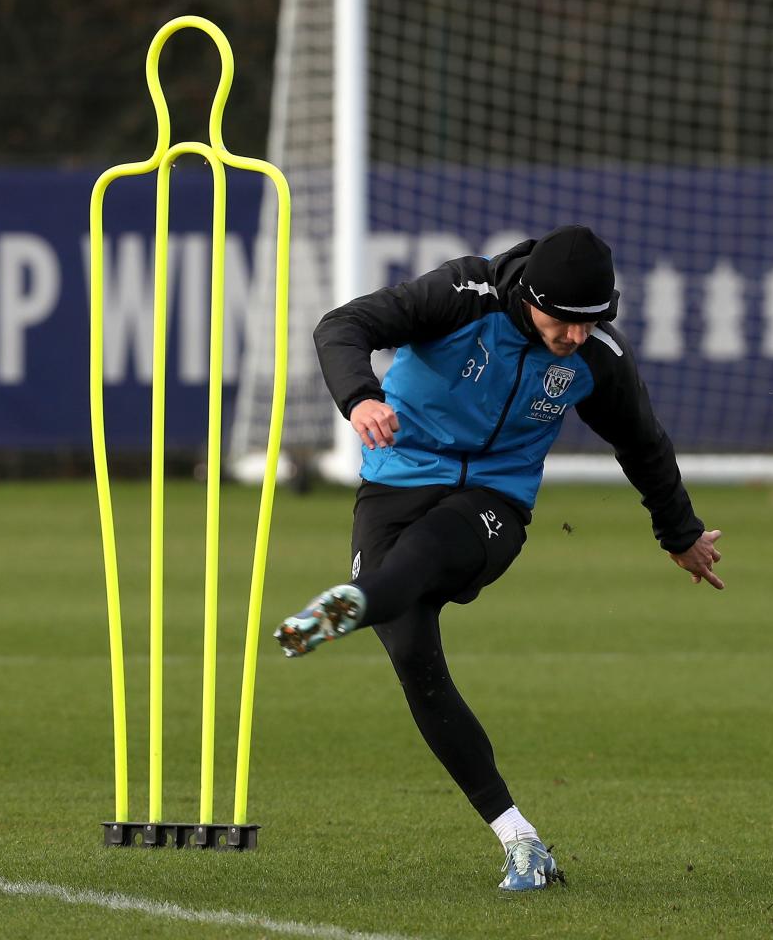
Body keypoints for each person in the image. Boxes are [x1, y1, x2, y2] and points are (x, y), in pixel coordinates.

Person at [273, 224, 724, 892]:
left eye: (589, 322)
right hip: (397, 477)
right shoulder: (463, 292)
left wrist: (679, 533)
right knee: (414, 661)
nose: (574, 336)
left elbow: (644, 444)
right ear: (530, 296)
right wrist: (361, 396)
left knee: (423, 559)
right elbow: (342, 325)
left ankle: (347, 607)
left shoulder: (595, 355)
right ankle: (522, 842)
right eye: (561, 321)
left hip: (494, 501)